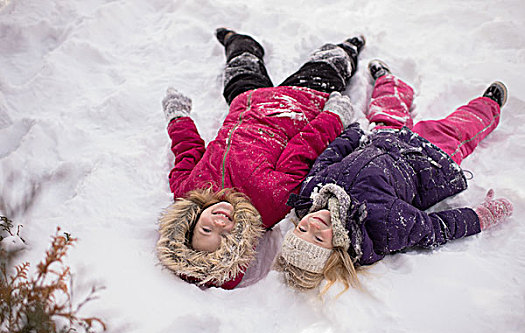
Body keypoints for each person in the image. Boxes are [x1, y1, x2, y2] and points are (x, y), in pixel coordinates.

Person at [275, 59, 514, 294]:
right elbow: (433, 228)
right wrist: (479, 217)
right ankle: (488, 105)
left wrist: (354, 135)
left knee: (386, 109)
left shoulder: (312, 194)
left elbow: (327, 158)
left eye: (302, 231)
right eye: (318, 239)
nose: (313, 225)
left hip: (380, 138)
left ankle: (389, 81)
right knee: (457, 129)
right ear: (339, 248)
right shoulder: (382, 225)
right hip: (426, 158)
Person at [156, 28, 366, 289]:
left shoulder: (188, 191)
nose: (221, 223)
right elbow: (302, 151)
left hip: (246, 102)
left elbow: (186, 149)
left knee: (240, 62)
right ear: (241, 240)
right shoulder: (267, 204)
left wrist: (177, 116)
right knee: (328, 66)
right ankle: (349, 46)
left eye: (207, 230)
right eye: (226, 236)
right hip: (297, 103)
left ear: (189, 224)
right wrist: (333, 118)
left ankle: (239, 41)